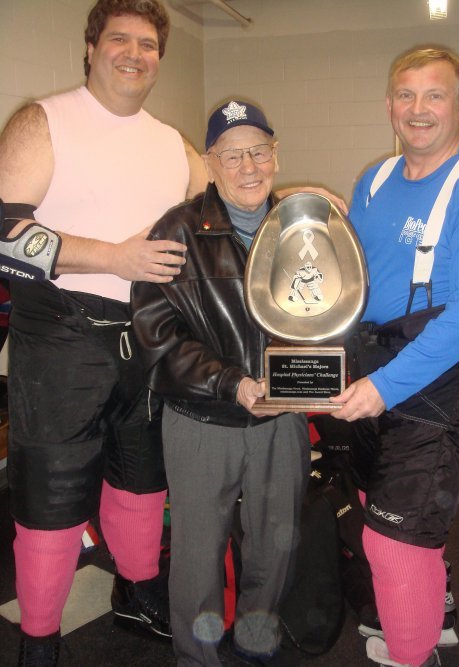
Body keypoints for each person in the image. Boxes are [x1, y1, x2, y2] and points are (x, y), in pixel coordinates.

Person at [0, 1, 209, 664]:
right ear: (91, 47)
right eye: (119, 38)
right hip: (62, 338)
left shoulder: (172, 144)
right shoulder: (44, 121)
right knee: (52, 496)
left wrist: (304, 216)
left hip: (147, 339)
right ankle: (38, 638)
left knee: (143, 480)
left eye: (148, 43)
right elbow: (4, 235)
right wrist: (111, 256)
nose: (134, 53)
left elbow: (231, 216)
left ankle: (136, 589)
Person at [330, 47, 459, 667]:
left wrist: (383, 387)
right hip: (374, 365)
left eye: (435, 95)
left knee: (396, 540)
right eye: (406, 95)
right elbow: (351, 283)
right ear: (389, 106)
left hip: (441, 380)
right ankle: (434, 616)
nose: (419, 109)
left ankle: (413, 652)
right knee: (395, 516)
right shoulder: (372, 180)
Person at [131, 100, 311, 667]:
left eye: (258, 151)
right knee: (197, 554)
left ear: (276, 154)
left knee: (275, 547)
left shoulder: (305, 228)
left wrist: (309, 382)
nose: (248, 166)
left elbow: (331, 317)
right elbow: (155, 337)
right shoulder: (175, 231)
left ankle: (257, 646)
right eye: (232, 155)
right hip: (203, 420)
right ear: (211, 163)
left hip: (282, 422)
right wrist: (231, 383)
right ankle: (197, 658)